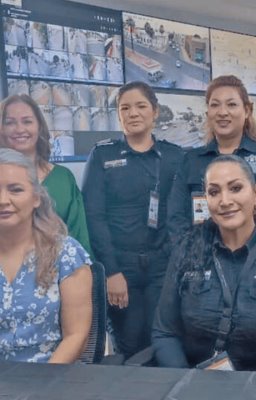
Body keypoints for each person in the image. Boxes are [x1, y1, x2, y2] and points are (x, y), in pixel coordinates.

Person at [152, 155, 256, 372]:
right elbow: (164, 333)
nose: (225, 201)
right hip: (195, 384)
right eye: (214, 192)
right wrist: (186, 385)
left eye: (235, 188)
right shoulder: (186, 250)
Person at [82, 81, 183, 358]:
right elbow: (94, 216)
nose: (133, 113)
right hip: (121, 267)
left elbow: (182, 214)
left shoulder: (175, 156)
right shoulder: (103, 155)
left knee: (165, 340)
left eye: (140, 106)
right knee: (130, 343)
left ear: (155, 111)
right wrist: (111, 272)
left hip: (163, 267)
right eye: (124, 108)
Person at [167, 75, 256, 237]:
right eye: (215, 105)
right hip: (202, 256)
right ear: (207, 113)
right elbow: (176, 216)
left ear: (247, 111)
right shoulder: (190, 160)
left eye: (231, 104)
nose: (222, 112)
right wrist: (193, 251)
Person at [0, 148, 92, 363]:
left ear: (36, 198)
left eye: (15, 190)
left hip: (51, 378)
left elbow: (76, 336)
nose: (3, 200)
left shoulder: (66, 254)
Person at [0, 94, 92, 256]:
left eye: (27, 121)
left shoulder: (63, 178)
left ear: (39, 126)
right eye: (10, 122)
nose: (20, 129)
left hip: (60, 275)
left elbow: (80, 239)